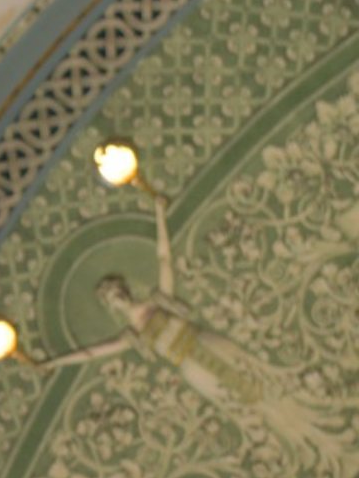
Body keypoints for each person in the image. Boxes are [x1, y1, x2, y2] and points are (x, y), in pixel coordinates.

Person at [33, 190, 345, 463]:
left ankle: (314, 410)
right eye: (111, 297)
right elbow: (91, 353)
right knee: (241, 404)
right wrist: (54, 361)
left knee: (256, 374)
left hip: (205, 343)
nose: (117, 296)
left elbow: (164, 258)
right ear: (111, 306)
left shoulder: (158, 300)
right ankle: (296, 437)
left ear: (124, 286)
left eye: (116, 289)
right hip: (191, 367)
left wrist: (158, 213)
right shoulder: (132, 335)